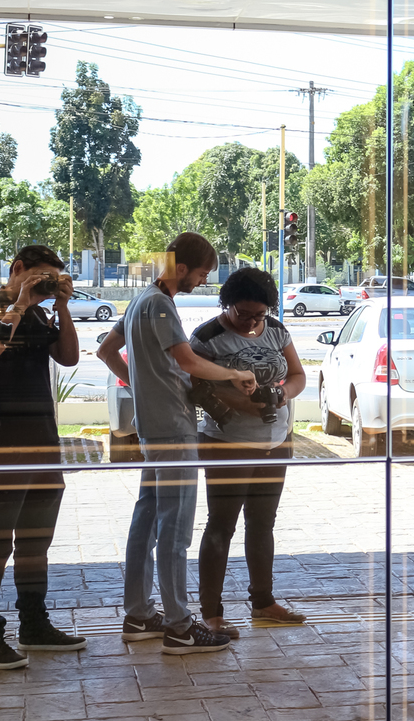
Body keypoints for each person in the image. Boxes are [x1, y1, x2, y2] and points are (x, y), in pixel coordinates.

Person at [97, 233, 256, 655]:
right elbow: (186, 360)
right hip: (173, 429)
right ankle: (180, 625)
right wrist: (232, 375)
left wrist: (142, 385)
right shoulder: (160, 303)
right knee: (175, 528)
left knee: (147, 519)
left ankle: (138, 614)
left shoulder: (137, 302)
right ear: (180, 267)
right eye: (201, 273)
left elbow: (106, 351)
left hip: (154, 425)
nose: (202, 282)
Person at [0, 245, 85, 669]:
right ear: (18, 269)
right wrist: (18, 303)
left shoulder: (40, 315)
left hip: (43, 439)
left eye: (53, 279)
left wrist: (63, 307)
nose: (46, 285)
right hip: (3, 441)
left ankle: (34, 624)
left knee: (37, 540)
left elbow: (69, 358)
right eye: (42, 277)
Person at [190, 269, 307, 637]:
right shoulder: (207, 338)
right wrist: (244, 404)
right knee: (221, 525)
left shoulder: (275, 329)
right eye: (244, 314)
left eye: (259, 314)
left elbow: (299, 374)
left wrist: (283, 394)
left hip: (276, 440)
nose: (253, 320)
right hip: (229, 444)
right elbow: (196, 388)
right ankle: (212, 612)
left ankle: (264, 602)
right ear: (227, 303)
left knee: (263, 523)